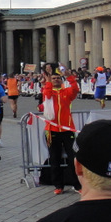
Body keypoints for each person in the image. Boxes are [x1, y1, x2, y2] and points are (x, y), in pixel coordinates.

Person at [41, 66, 80, 194]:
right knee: (55, 159)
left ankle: (77, 185)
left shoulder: (66, 92)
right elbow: (46, 94)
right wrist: (47, 81)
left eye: (58, 78)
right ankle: (58, 186)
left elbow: (75, 90)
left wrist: (70, 77)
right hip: (52, 130)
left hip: (67, 129)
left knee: (73, 158)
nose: (56, 80)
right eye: (54, 78)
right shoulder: (48, 91)